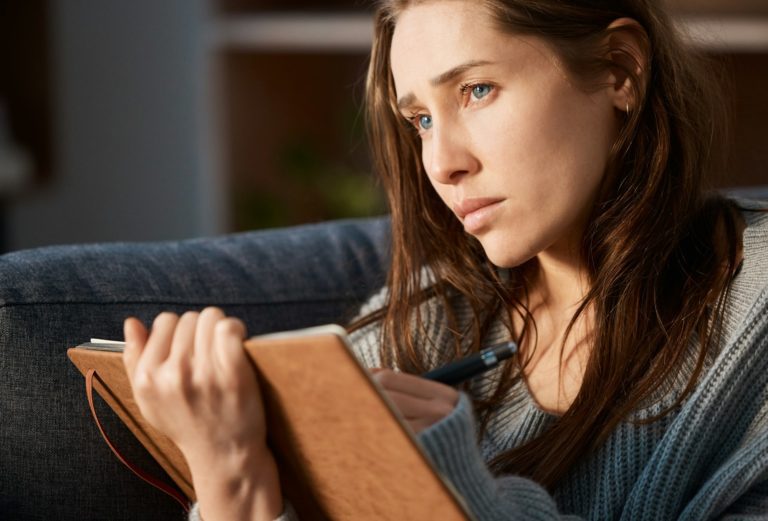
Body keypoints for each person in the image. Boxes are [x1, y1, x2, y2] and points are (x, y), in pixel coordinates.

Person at [121, 0, 768, 519]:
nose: (441, 163)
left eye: (477, 89)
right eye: (421, 120)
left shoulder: (753, 317)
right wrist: (231, 479)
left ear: (618, 70)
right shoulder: (422, 324)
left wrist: (450, 485)